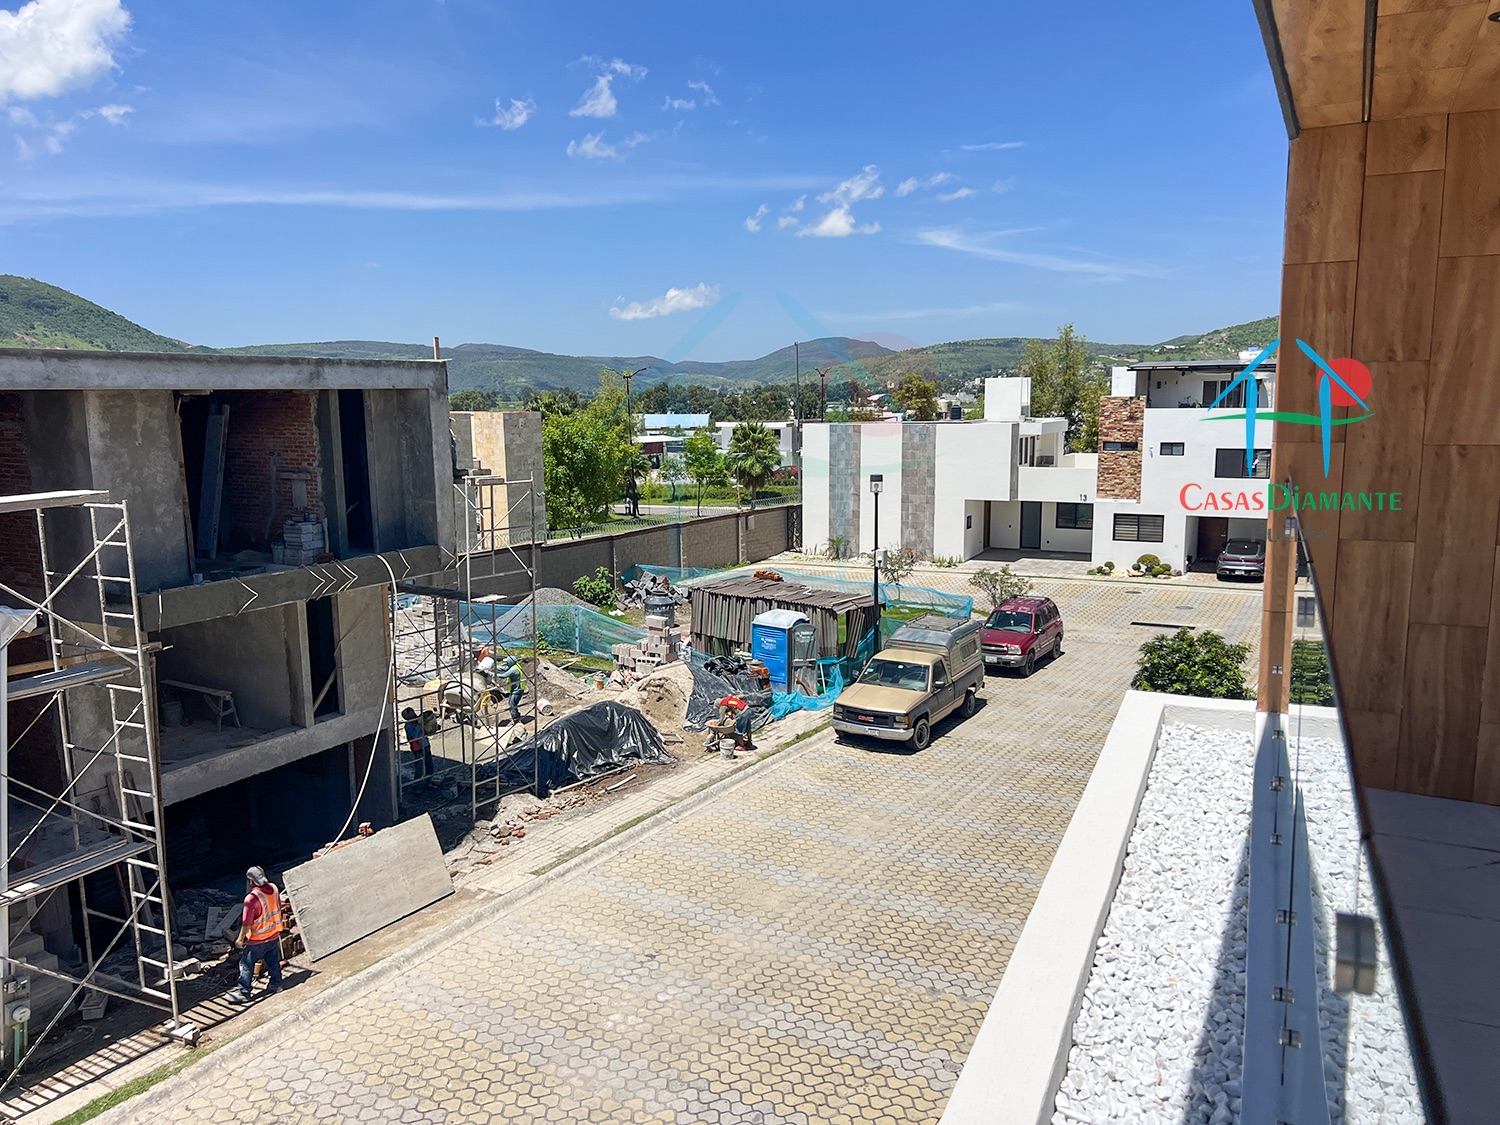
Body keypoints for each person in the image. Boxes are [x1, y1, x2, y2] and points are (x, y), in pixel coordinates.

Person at [227, 866, 284, 1003]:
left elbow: (246, 923)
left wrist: (240, 939)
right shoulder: (274, 888)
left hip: (258, 939)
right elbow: (278, 907)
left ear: (250, 881)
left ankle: (243, 992)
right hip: (274, 933)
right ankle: (276, 984)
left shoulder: (251, 899)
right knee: (273, 961)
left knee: (247, 964)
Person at [402, 706, 434, 779]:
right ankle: (417, 782)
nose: (413, 714)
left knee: (429, 764)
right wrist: (419, 725)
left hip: (425, 745)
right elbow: (415, 735)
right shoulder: (408, 725)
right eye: (410, 713)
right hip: (417, 748)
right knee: (420, 765)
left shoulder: (418, 721)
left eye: (412, 712)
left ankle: (428, 780)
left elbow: (427, 731)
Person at [500, 656, 526, 725]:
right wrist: (494, 667)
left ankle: (517, 721)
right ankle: (517, 716)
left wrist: (490, 674)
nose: (506, 664)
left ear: (511, 662)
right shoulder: (515, 666)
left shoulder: (514, 670)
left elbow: (503, 676)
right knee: (512, 704)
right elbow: (505, 668)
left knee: (512, 705)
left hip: (517, 690)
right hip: (516, 689)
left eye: (507, 662)